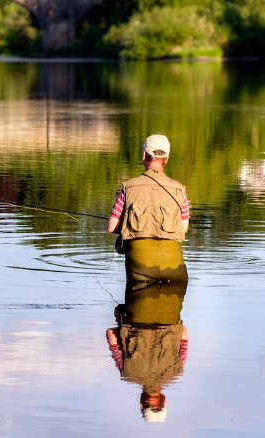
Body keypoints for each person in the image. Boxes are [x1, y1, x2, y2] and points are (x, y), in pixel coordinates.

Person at [107, 134, 190, 283]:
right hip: (175, 273)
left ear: (144, 155)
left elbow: (112, 227)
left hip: (140, 272)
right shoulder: (180, 190)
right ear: (167, 159)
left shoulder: (127, 188)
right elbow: (183, 229)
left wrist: (129, 224)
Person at [106, 280, 189, 422]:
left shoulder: (177, 370)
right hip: (135, 313)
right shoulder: (126, 372)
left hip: (169, 313)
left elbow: (184, 332)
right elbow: (110, 334)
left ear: (164, 399)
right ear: (140, 402)